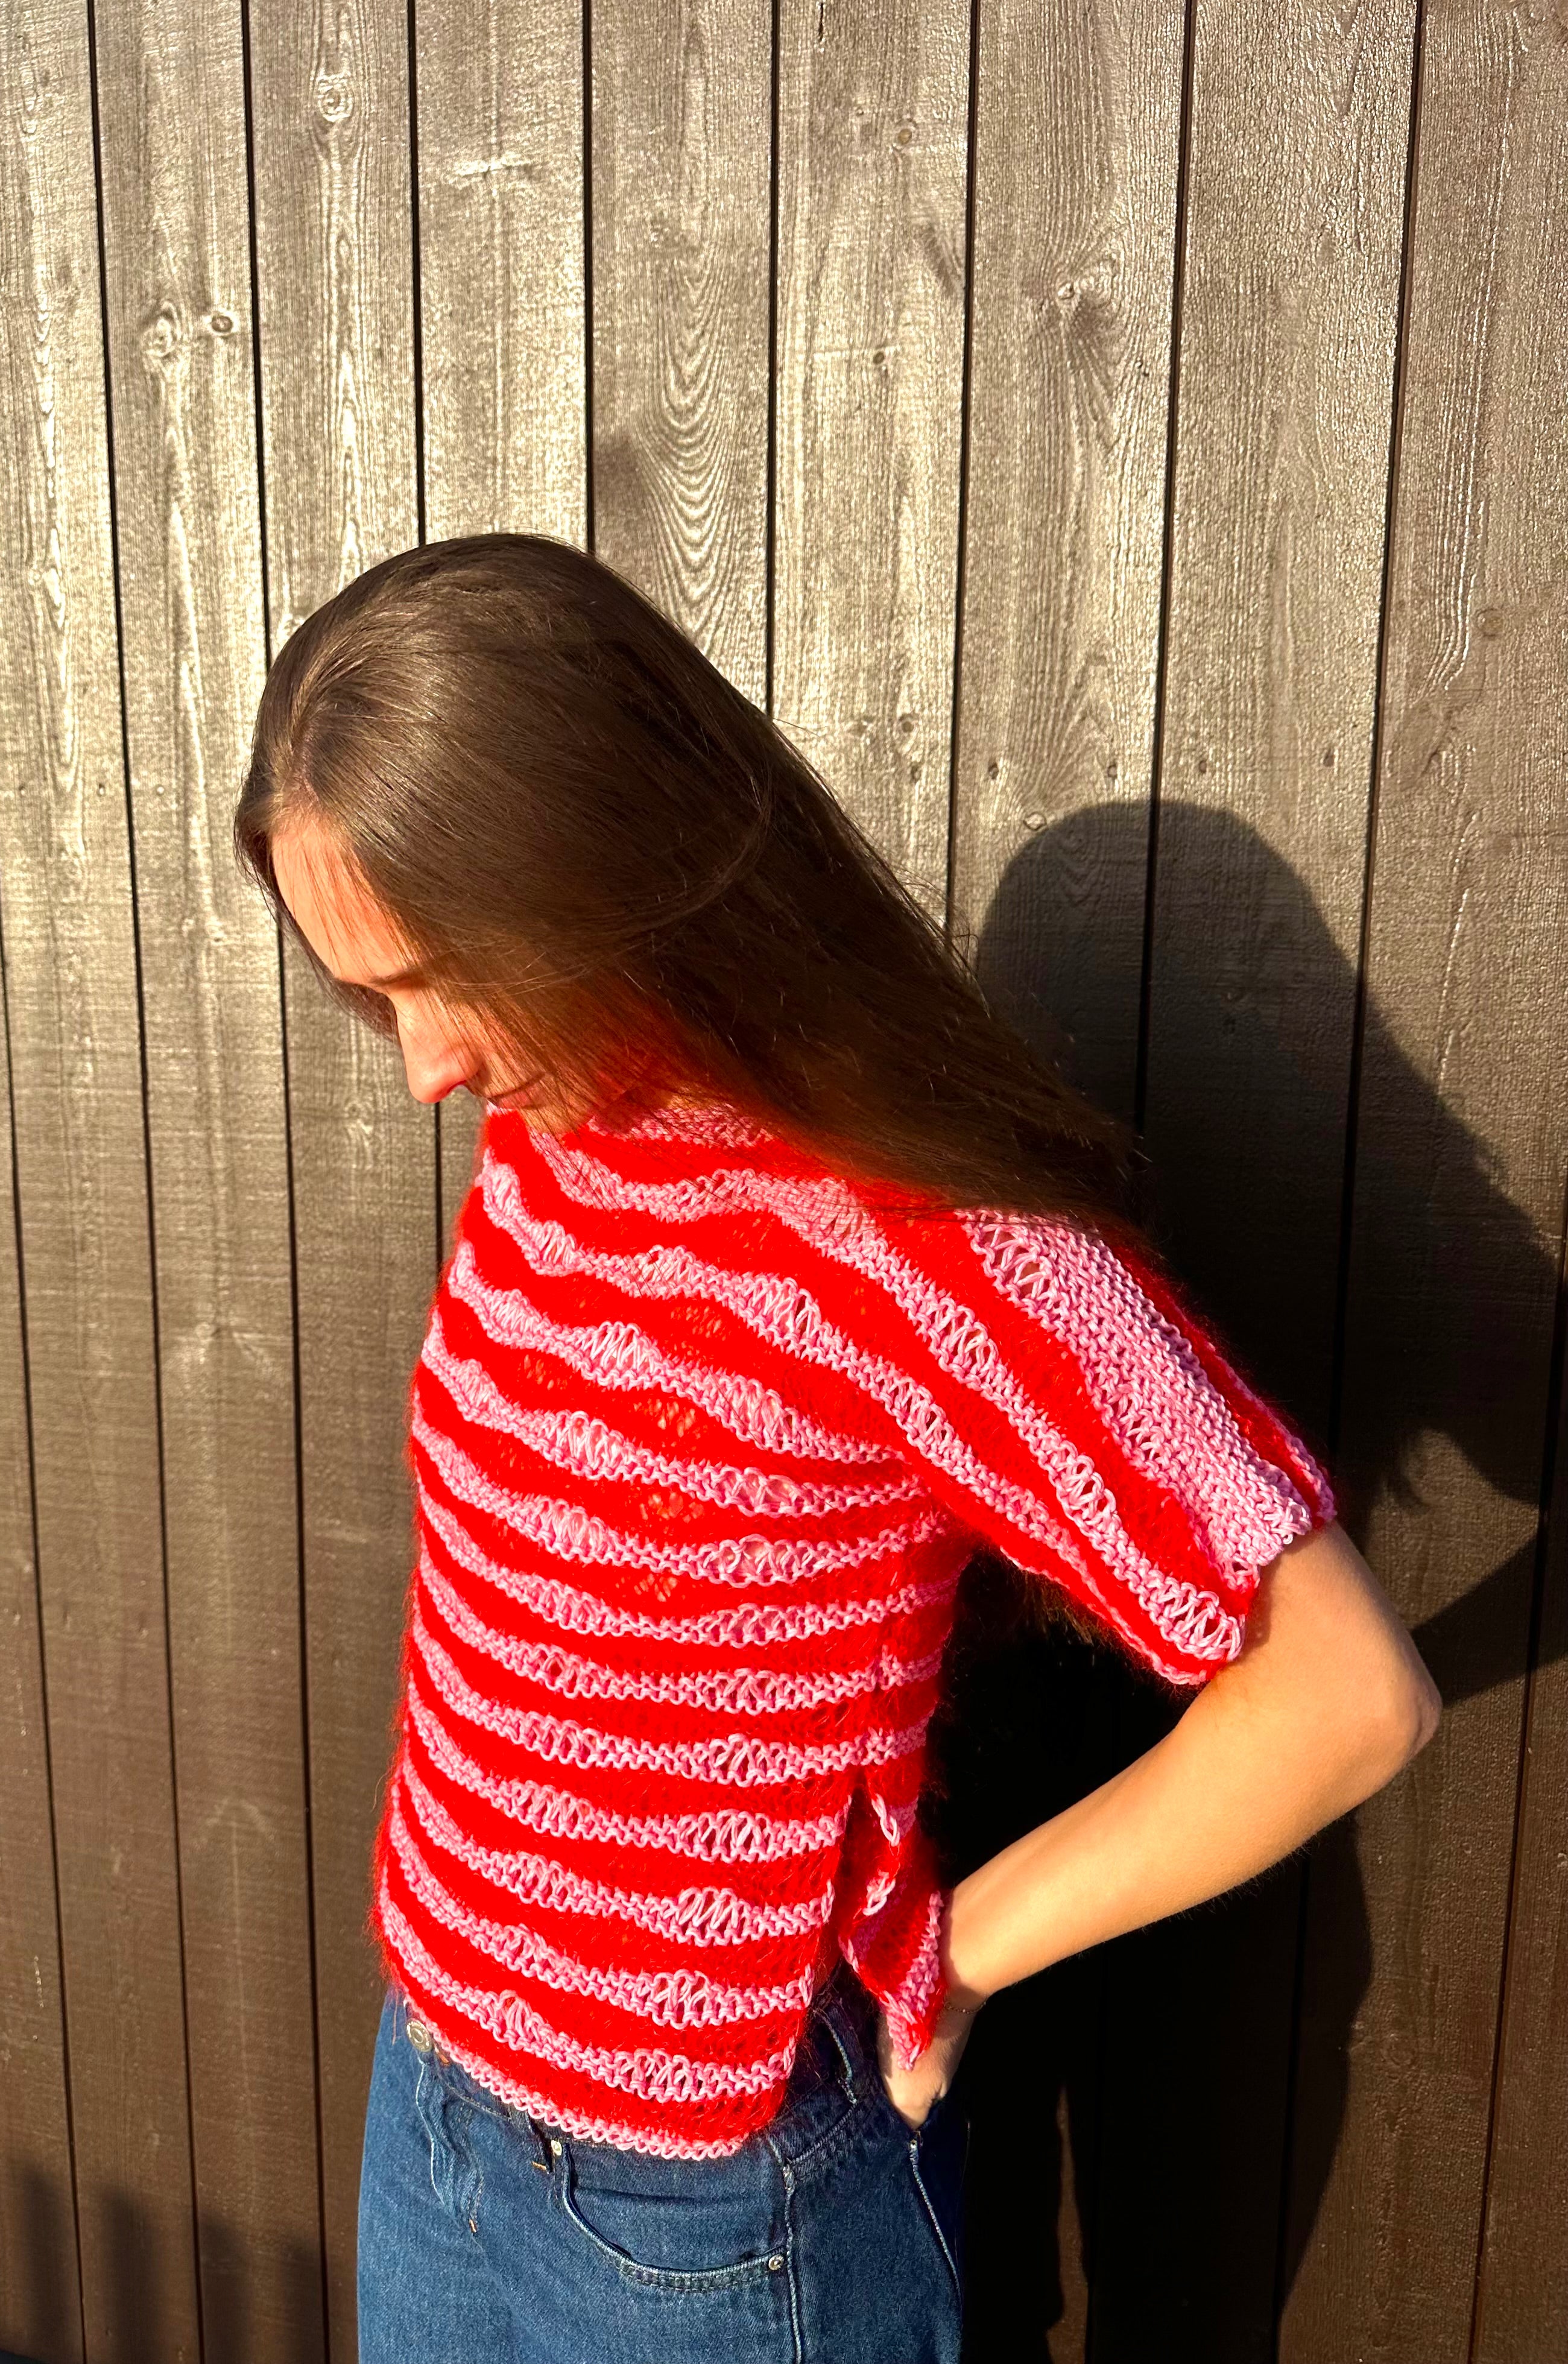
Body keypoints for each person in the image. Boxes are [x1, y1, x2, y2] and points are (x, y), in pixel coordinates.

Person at [233, 533, 1440, 2364]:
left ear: (604, 871)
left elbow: (1346, 1691)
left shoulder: (927, 1239)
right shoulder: (565, 1123)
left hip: (708, 2212)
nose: (420, 1067)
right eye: (372, 993)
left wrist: (964, 1944)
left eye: (443, 977)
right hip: (441, 2111)